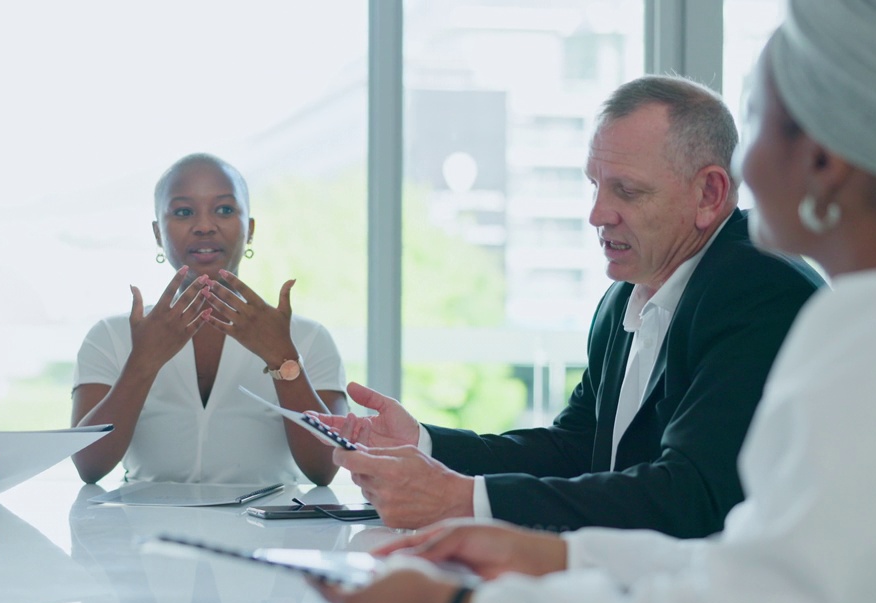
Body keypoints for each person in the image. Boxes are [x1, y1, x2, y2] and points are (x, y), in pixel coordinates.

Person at [318, 1, 876, 603]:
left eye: (757, 120)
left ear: (824, 161)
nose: (597, 214)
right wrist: (551, 554)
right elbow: (756, 563)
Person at [314, 76, 823, 535]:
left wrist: (461, 500)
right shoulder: (624, 298)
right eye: (595, 185)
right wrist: (423, 444)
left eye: (626, 190)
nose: (597, 214)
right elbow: (575, 450)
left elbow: (690, 496)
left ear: (709, 193)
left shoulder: (759, 288)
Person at [70, 154, 347, 485]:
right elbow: (88, 466)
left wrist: (283, 359)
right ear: (158, 233)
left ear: (251, 229)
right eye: (184, 212)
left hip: (270, 532)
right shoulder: (111, 336)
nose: (204, 226)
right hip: (143, 529)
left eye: (225, 210)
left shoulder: (308, 337)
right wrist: (142, 362)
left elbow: (325, 468)